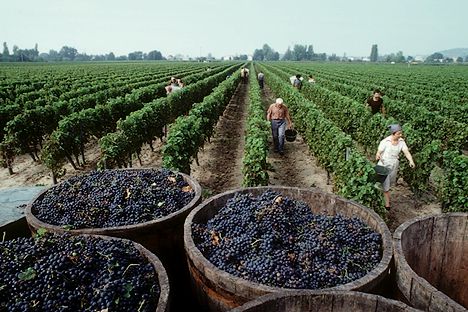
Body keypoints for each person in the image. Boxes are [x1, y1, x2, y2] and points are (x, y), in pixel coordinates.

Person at [375, 124, 415, 210]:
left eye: (401, 133)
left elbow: (406, 152)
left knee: (389, 184)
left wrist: (411, 161)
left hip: (393, 165)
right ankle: (387, 205)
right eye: (399, 134)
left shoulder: (401, 142)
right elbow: (378, 152)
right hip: (384, 166)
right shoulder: (385, 142)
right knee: (385, 186)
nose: (401, 135)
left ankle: (381, 197)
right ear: (393, 133)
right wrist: (378, 155)